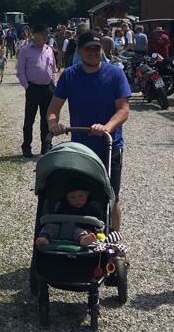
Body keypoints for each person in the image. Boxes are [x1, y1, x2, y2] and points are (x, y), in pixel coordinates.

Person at [46, 31, 131, 230]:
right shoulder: (70, 75)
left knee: (111, 195)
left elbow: (123, 110)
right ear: (79, 51)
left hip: (109, 146)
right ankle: (80, 232)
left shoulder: (115, 74)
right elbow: (53, 110)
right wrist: (53, 125)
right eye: (88, 49)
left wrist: (107, 127)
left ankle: (114, 237)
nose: (92, 53)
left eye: (96, 49)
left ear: (102, 50)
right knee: (79, 194)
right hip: (80, 149)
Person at [16, 25, 57, 158]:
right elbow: (20, 71)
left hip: (47, 88)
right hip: (32, 88)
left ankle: (46, 145)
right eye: (40, 36)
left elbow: (53, 69)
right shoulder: (25, 50)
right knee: (29, 119)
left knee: (46, 119)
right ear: (34, 36)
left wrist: (54, 84)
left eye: (45, 36)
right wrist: (27, 86)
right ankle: (26, 146)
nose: (42, 39)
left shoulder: (49, 50)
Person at [35, 186, 105, 248]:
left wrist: (92, 229)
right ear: (67, 198)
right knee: (50, 227)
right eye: (72, 197)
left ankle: (84, 240)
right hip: (60, 229)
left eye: (81, 196)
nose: (77, 200)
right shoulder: (63, 205)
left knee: (82, 232)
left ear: (87, 194)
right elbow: (56, 218)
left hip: (80, 229)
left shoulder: (93, 207)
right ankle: (44, 238)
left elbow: (97, 223)